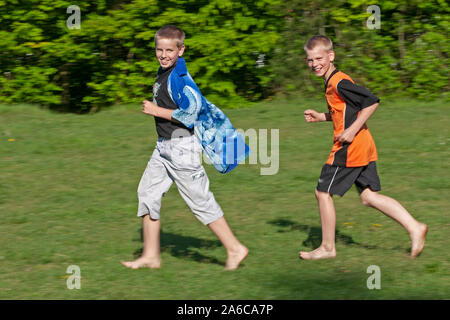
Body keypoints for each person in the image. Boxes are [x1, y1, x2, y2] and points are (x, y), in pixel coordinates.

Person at [121, 25, 248, 270]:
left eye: (170, 50)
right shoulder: (164, 72)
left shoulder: (180, 80)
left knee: (200, 202)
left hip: (182, 149)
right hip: (163, 148)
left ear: (181, 50)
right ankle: (150, 255)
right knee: (148, 193)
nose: (163, 54)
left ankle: (235, 248)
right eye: (159, 49)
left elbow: (190, 114)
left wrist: (156, 111)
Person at [299, 35, 427, 260]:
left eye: (319, 58)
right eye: (310, 60)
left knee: (322, 192)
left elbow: (372, 101)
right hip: (364, 144)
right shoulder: (332, 81)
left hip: (351, 147)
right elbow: (345, 112)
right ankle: (415, 227)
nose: (314, 64)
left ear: (331, 56)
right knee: (368, 197)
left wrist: (351, 130)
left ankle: (328, 248)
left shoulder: (339, 82)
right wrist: (322, 117)